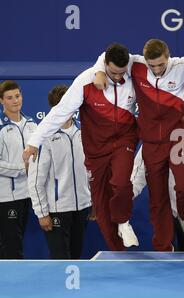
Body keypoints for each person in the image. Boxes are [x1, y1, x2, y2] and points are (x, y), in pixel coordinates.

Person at [92, 39, 184, 251]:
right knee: (158, 200)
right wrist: (99, 72)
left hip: (178, 139)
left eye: (161, 65)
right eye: (152, 65)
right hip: (152, 144)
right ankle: (163, 247)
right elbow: (106, 56)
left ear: (169, 57)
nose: (156, 70)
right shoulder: (136, 64)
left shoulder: (182, 67)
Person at [23, 43, 139, 251]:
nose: (117, 77)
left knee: (121, 183)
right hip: (96, 150)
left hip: (124, 140)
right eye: (112, 72)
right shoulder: (85, 81)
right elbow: (60, 112)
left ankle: (123, 221)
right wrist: (34, 141)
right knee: (102, 206)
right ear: (105, 64)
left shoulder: (134, 68)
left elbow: (173, 64)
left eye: (122, 73)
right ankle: (118, 251)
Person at [27, 85, 92, 259]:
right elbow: (35, 180)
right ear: (55, 108)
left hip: (82, 207)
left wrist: (92, 201)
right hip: (57, 210)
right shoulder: (43, 137)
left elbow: (90, 170)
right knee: (60, 261)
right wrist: (42, 213)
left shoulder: (84, 131)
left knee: (76, 257)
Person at [132, 103, 184, 251]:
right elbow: (140, 170)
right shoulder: (158, 135)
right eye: (182, 108)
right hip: (166, 210)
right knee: (165, 258)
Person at [0, 80, 37, 259]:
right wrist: (22, 168)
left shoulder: (31, 124)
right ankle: (9, 286)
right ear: (2, 101)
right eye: (10, 98)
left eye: (17, 96)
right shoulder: (0, 127)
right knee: (11, 246)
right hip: (6, 197)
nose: (15, 101)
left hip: (28, 194)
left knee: (16, 243)